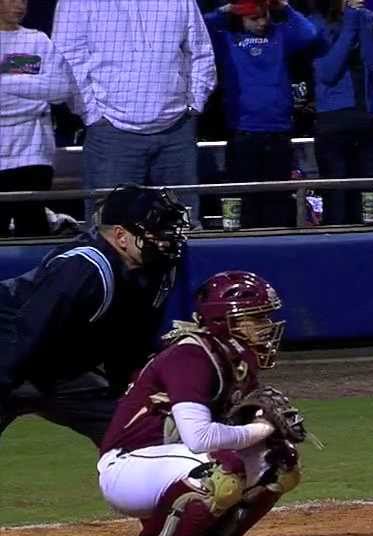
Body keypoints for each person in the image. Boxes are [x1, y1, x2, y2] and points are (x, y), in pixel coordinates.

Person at [98, 271, 307, 536]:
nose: (266, 325)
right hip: (129, 468)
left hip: (170, 461)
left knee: (281, 460)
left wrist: (266, 425)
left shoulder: (234, 359)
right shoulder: (191, 355)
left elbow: (225, 426)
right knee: (221, 472)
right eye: (256, 317)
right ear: (224, 322)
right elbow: (200, 438)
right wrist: (262, 428)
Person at [0, 185, 187, 447]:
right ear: (121, 235)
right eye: (157, 230)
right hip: (9, 351)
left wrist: (136, 391)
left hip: (58, 368)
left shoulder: (155, 270)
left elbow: (131, 346)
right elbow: (29, 331)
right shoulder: (84, 267)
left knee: (139, 434)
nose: (166, 239)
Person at [52, 0, 215, 229]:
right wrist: (92, 114)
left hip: (176, 131)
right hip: (111, 134)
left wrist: (194, 103)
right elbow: (67, 60)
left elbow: (200, 52)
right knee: (109, 230)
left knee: (182, 227)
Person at [206, 1, 321, 229]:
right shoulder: (227, 40)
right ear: (241, 18)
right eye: (253, 18)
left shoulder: (280, 36)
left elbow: (310, 34)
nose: (261, 23)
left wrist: (284, 7)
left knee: (277, 201)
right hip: (242, 131)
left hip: (279, 131)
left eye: (264, 16)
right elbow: (202, 26)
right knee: (245, 202)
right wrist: (228, 9)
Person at [310, 0, 373, 225]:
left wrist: (363, 26)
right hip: (333, 123)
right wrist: (351, 23)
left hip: (368, 121)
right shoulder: (316, 25)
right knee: (336, 202)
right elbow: (328, 72)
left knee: (365, 202)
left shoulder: (371, 21)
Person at [0, 0, 75, 238]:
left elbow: (60, 89)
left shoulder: (38, 41)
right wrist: (33, 96)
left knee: (33, 228)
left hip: (34, 155)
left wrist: (4, 81)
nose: (20, 5)